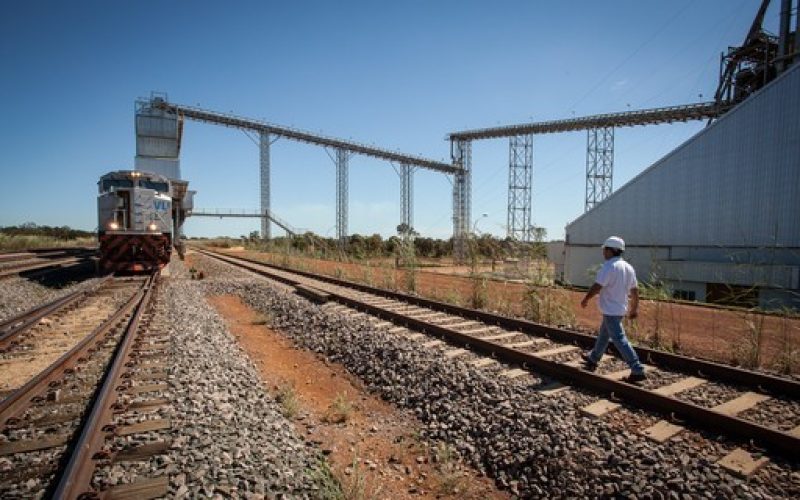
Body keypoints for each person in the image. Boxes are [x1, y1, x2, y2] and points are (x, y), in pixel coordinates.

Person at [580, 236, 646, 383]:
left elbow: (597, 286)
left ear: (611, 250)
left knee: (619, 339)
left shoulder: (609, 266)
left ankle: (637, 368)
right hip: (619, 309)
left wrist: (586, 299)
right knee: (604, 335)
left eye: (605, 249)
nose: (603, 252)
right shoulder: (628, 267)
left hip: (611, 310)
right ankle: (593, 358)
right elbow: (635, 290)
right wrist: (634, 308)